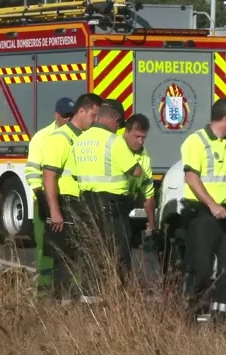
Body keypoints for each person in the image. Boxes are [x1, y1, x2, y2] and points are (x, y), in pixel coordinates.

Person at [180, 97, 226, 326]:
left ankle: (220, 316)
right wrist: (212, 205)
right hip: (203, 213)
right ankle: (191, 310)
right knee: (203, 269)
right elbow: (191, 177)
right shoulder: (196, 141)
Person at [72, 101, 143, 294]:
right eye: (118, 125)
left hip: (87, 203)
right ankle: (118, 295)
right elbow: (135, 171)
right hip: (113, 206)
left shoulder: (80, 140)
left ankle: (90, 295)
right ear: (116, 121)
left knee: (91, 252)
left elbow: (73, 172)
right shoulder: (114, 141)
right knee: (119, 253)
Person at [42, 93, 103, 302]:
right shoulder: (60, 139)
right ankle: (60, 302)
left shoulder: (83, 137)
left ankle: (75, 300)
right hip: (65, 203)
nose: (95, 120)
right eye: (93, 115)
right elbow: (49, 175)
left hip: (80, 203)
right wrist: (55, 210)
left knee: (80, 255)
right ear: (82, 111)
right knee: (64, 257)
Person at [25, 97, 75, 294]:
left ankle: (70, 288)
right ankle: (45, 289)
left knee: (71, 248)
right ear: (56, 116)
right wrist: (41, 197)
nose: (68, 120)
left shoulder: (76, 135)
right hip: (45, 199)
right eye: (65, 116)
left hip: (69, 200)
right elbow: (32, 171)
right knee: (46, 246)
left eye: (71, 116)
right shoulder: (42, 137)